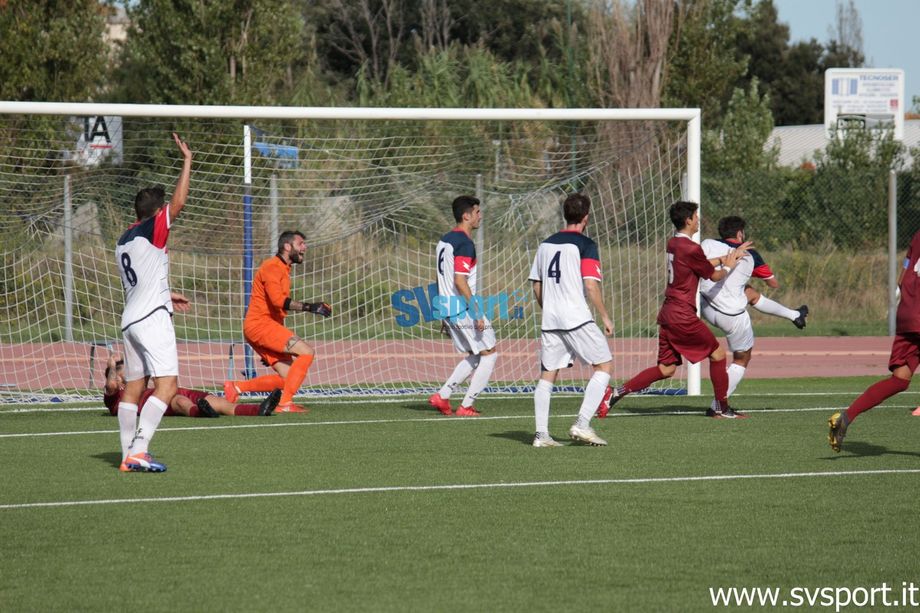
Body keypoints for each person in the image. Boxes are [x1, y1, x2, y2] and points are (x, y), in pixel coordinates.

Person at [599, 201, 750, 419]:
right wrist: (730, 263)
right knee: (718, 355)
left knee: (666, 369)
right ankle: (721, 408)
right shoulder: (691, 248)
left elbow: (699, 263)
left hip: (668, 312)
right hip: (682, 314)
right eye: (696, 216)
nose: (698, 219)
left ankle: (615, 393)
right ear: (688, 220)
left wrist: (726, 257)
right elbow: (714, 274)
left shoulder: (674, 244)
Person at [114, 133, 192, 473]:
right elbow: (179, 204)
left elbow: (141, 277)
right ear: (155, 213)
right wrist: (187, 161)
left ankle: (126, 455)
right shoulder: (153, 228)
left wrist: (165, 292)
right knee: (167, 385)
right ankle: (140, 449)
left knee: (133, 389)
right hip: (151, 319)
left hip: (130, 319)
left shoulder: (123, 240)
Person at [528, 193, 614, 447]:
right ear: (586, 217)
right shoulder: (586, 245)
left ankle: (541, 435)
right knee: (604, 366)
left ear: (565, 215)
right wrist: (605, 316)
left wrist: (550, 308)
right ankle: (582, 424)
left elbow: (536, 285)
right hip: (576, 317)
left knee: (547, 375)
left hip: (551, 319)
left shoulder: (545, 245)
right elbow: (591, 286)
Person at [698, 216, 806, 411]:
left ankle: (794, 315)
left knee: (748, 292)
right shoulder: (751, 255)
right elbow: (773, 283)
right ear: (740, 234)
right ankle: (718, 405)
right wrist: (750, 268)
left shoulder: (706, 243)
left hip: (704, 305)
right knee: (742, 358)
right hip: (731, 316)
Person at [829, 227, 920, 451]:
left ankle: (846, 418)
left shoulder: (918, 234)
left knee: (900, 379)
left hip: (908, 314)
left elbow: (902, 277)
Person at [223, 231, 332, 413]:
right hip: (260, 325)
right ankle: (285, 404)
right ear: (287, 246)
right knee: (306, 353)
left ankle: (236, 387)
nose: (304, 248)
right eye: (301, 243)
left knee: (289, 377)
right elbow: (278, 301)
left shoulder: (282, 268)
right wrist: (310, 307)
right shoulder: (272, 267)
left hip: (264, 328)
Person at [427, 195, 498, 417]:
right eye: (477, 212)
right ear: (466, 216)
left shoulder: (445, 240)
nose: (480, 216)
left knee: (476, 354)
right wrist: (476, 311)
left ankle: (443, 396)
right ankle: (466, 406)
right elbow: (459, 280)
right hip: (461, 307)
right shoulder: (465, 243)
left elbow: (443, 279)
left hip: (447, 306)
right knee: (490, 352)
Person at [103, 354, 281, 417]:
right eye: (123, 370)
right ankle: (199, 412)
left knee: (219, 403)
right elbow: (110, 384)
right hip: (163, 402)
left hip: (171, 391)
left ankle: (259, 409)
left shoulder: (138, 384)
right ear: (118, 380)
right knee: (180, 401)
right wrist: (111, 365)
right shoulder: (117, 397)